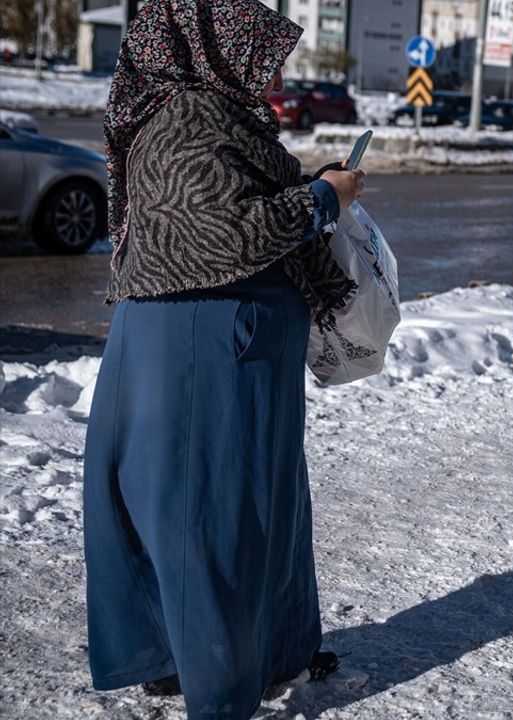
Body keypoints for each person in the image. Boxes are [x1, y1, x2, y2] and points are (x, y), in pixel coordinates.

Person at [82, 1, 364, 717]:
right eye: (257, 55)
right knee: (210, 515)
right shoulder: (190, 120)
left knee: (250, 504)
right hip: (206, 349)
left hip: (224, 344)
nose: (269, 71)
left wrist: (310, 191)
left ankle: (263, 653)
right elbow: (222, 241)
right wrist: (321, 199)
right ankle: (214, 682)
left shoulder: (204, 112)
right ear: (208, 49)